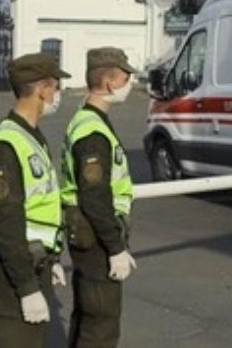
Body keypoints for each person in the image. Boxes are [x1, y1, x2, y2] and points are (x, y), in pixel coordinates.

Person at [0, 53, 71, 347]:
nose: (57, 94)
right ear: (44, 90)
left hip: (35, 262)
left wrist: (52, 258)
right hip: (12, 276)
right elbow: (5, 224)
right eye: (57, 87)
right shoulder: (6, 146)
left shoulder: (30, 137)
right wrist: (26, 288)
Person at [61, 47, 139, 348]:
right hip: (95, 239)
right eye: (126, 78)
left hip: (89, 235)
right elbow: (94, 196)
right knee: (100, 325)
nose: (130, 84)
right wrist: (115, 247)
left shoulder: (87, 120)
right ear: (109, 82)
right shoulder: (92, 131)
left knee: (87, 317)